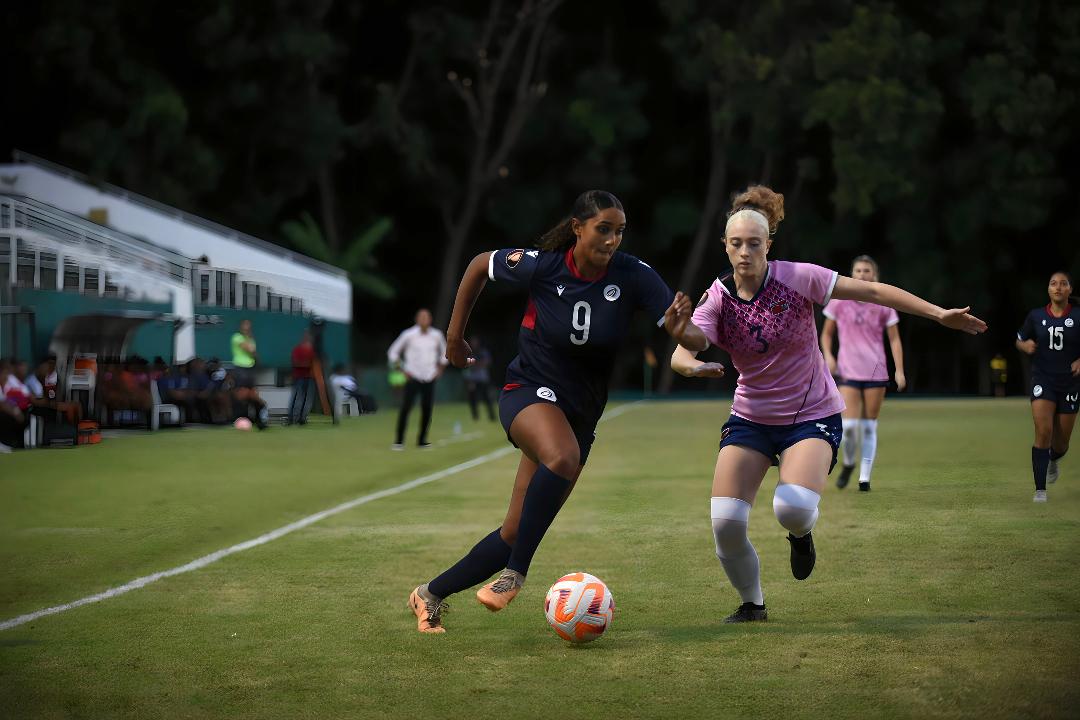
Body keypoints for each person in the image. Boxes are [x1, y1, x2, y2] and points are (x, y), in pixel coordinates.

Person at [671, 185, 986, 623]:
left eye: (754, 244)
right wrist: (689, 356)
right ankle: (753, 605)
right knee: (725, 524)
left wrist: (938, 314)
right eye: (736, 243)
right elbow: (690, 345)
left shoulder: (797, 277)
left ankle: (802, 535)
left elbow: (872, 293)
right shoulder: (719, 296)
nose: (745, 252)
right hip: (751, 418)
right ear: (724, 246)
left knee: (792, 508)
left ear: (769, 246)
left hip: (811, 414)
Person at [407, 189, 706, 634]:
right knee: (561, 459)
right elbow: (478, 265)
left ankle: (429, 594)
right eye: (603, 229)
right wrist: (454, 337)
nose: (611, 240)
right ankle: (516, 575)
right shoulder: (543, 265)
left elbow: (695, 339)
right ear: (578, 228)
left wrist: (688, 333)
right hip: (528, 391)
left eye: (619, 231)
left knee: (514, 531)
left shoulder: (633, 275)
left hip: (580, 415)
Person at [820, 255, 906, 491]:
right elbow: (826, 334)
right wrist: (828, 355)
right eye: (857, 270)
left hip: (876, 371)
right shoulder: (839, 301)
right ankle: (848, 462)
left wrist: (899, 370)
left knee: (869, 426)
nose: (861, 274)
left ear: (874, 275)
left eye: (866, 270)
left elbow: (895, 339)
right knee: (848, 428)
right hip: (848, 370)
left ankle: (864, 478)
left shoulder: (883, 304)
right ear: (852, 273)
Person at [1015, 271, 1080, 502]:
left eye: (1063, 284)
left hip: (1070, 384)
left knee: (1061, 443)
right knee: (1043, 432)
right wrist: (1025, 346)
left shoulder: (1078, 317)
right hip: (1043, 379)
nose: (1058, 287)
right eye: (1053, 283)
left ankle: (1053, 459)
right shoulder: (1036, 316)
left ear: (1070, 290)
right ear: (1049, 289)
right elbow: (1019, 339)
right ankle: (1040, 490)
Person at [387, 309, 447, 449]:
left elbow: (445, 353)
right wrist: (402, 370)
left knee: (427, 409)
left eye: (426, 317)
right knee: (406, 408)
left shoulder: (436, 335)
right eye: (421, 317)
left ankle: (422, 440)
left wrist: (440, 369)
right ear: (417, 319)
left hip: (429, 376)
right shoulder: (408, 335)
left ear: (430, 319)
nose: (424, 319)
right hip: (412, 376)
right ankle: (399, 441)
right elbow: (393, 352)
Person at [462, 335, 496, 421]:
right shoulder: (469, 353)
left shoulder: (483, 352)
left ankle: (492, 416)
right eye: (472, 341)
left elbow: (487, 362)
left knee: (487, 398)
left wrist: (476, 365)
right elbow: (465, 365)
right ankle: (475, 416)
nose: (474, 343)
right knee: (472, 399)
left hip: (483, 379)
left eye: (475, 341)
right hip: (473, 380)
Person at [287, 330, 316, 425]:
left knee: (307, 399)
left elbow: (316, 364)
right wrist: (308, 364)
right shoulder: (297, 349)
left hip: (309, 378)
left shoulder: (313, 351)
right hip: (299, 377)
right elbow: (295, 363)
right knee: (296, 397)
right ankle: (291, 419)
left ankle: (302, 419)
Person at [230, 319, 258, 391]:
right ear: (241, 327)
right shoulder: (237, 337)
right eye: (245, 324)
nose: (247, 327)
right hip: (240, 367)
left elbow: (254, 352)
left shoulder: (251, 339)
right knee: (241, 390)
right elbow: (249, 349)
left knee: (251, 389)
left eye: (249, 325)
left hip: (251, 366)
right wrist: (252, 349)